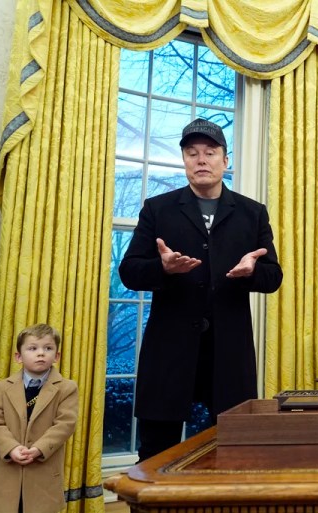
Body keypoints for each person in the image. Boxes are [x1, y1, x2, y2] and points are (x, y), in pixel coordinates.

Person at [119, 118, 283, 461]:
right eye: (192, 153)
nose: (201, 160)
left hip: (229, 355)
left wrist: (251, 273)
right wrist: (161, 268)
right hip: (169, 352)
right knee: (155, 455)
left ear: (226, 161)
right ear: (184, 161)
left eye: (210, 152)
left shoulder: (252, 213)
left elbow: (273, 276)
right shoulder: (157, 209)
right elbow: (130, 272)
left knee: (235, 453)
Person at [0, 324, 78, 513]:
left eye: (48, 348)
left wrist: (38, 449)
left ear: (56, 356)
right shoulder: (2, 387)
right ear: (19, 356)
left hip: (43, 473)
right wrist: (12, 448)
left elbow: (65, 424)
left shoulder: (67, 388)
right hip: (6, 473)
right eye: (33, 348)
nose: (40, 353)